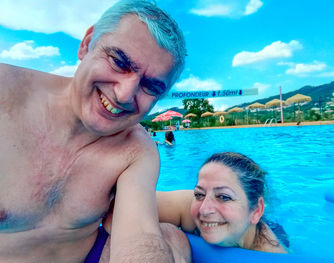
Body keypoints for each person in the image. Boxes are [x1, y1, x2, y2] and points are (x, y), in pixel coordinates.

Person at [0, 0, 188, 262]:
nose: (124, 95)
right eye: (118, 62)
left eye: (151, 87)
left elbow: (139, 238)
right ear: (86, 44)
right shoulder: (6, 95)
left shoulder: (136, 149)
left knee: (171, 239)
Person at [157, 152, 288, 253]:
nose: (204, 209)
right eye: (199, 194)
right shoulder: (190, 207)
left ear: (256, 210)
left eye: (224, 197)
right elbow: (138, 205)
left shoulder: (271, 253)